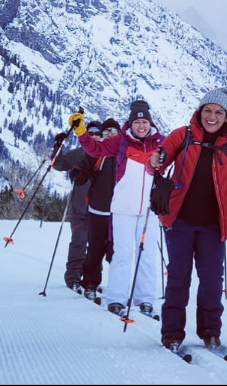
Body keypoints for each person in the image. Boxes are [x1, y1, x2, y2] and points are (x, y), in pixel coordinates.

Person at [148, 83, 227, 354]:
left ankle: (211, 332)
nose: (212, 116)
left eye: (218, 112)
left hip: (213, 226)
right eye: (208, 110)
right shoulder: (182, 136)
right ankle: (171, 333)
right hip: (178, 221)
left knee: (213, 280)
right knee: (179, 278)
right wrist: (154, 161)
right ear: (200, 111)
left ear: (226, 117)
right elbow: (158, 159)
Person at [69, 100, 164, 316]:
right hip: (122, 208)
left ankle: (145, 299)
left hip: (149, 210)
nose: (141, 126)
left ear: (150, 122)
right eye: (137, 122)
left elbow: (176, 159)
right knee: (122, 254)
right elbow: (95, 148)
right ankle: (116, 299)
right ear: (130, 123)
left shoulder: (160, 142)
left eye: (145, 122)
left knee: (147, 255)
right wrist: (82, 132)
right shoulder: (120, 141)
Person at [52, 120, 102, 293]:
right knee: (78, 244)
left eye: (98, 134)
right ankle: (73, 278)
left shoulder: (106, 156)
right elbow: (58, 164)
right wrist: (57, 146)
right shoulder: (78, 154)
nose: (94, 137)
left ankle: (91, 281)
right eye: (91, 134)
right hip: (79, 209)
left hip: (99, 211)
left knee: (96, 248)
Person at [80, 118, 121, 302]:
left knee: (117, 253)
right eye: (106, 132)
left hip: (120, 213)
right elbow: (84, 169)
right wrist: (79, 174)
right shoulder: (97, 154)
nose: (110, 135)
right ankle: (90, 283)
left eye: (113, 132)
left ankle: (117, 288)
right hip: (98, 210)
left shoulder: (124, 154)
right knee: (95, 250)